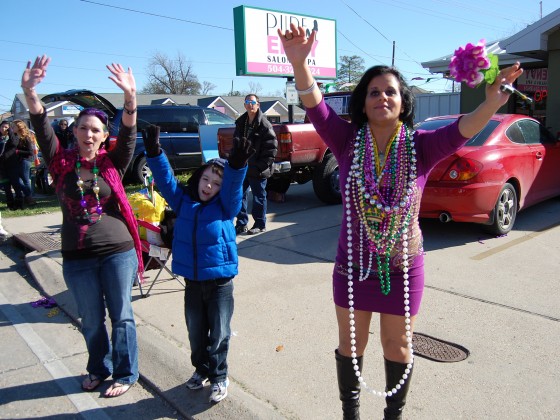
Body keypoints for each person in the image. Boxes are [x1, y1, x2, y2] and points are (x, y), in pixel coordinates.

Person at [278, 23, 523, 420]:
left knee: (398, 348)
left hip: (404, 269)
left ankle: (394, 416)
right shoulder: (345, 141)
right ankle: (351, 414)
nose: (381, 97)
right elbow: (315, 106)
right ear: (363, 102)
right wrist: (299, 62)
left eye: (390, 90)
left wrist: (491, 103)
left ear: (402, 101)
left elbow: (464, 130)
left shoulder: (422, 147)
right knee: (351, 346)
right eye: (373, 91)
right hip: (353, 268)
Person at [21, 55, 144, 398]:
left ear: (104, 137)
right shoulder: (59, 161)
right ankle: (97, 368)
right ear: (74, 132)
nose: (88, 134)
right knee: (91, 320)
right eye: (83, 128)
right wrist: (30, 90)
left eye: (95, 130)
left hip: (117, 252)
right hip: (77, 256)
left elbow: (131, 130)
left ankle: (125, 372)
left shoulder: (113, 163)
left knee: (121, 317)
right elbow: (40, 123)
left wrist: (130, 98)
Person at [141, 125, 254, 403]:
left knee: (219, 333)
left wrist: (237, 165)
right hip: (192, 282)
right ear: (197, 177)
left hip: (219, 284)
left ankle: (219, 376)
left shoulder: (225, 206)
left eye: (216, 184)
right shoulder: (184, 201)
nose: (208, 187)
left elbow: (233, 188)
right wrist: (155, 153)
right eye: (206, 179)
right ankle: (201, 370)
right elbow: (166, 180)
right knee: (195, 332)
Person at [233, 93, 277, 235]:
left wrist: (260, 166)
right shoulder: (241, 123)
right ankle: (241, 223)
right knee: (239, 195)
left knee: (259, 197)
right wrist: (235, 161)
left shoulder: (264, 124)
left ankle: (260, 224)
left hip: (257, 168)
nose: (250, 104)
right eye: (247, 102)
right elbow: (236, 145)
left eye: (252, 102)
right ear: (245, 105)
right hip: (242, 167)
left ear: (258, 104)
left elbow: (271, 149)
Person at [12, 119, 38, 206]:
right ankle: (27, 196)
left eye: (14, 126)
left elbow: (30, 152)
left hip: (25, 160)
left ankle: (29, 197)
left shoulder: (26, 137)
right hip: (18, 160)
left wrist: (17, 151)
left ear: (19, 127)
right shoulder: (16, 137)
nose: (12, 128)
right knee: (18, 180)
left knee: (25, 180)